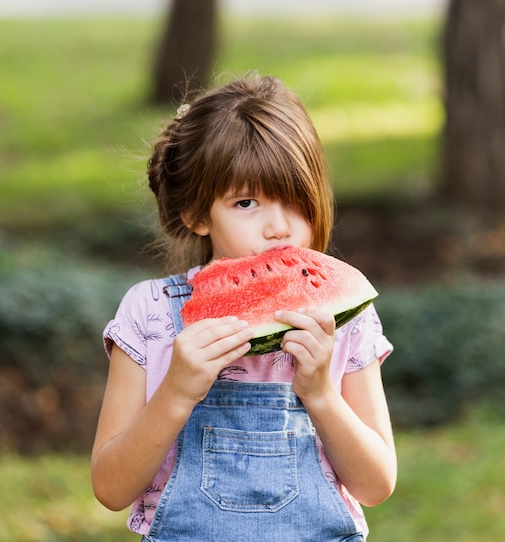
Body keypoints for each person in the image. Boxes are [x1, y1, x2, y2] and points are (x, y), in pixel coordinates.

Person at [91, 74, 396, 541]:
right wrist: (176, 390)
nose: (278, 227)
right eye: (246, 202)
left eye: (296, 201)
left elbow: (376, 485)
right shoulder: (150, 313)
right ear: (196, 213)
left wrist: (319, 394)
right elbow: (110, 488)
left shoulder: (347, 320)